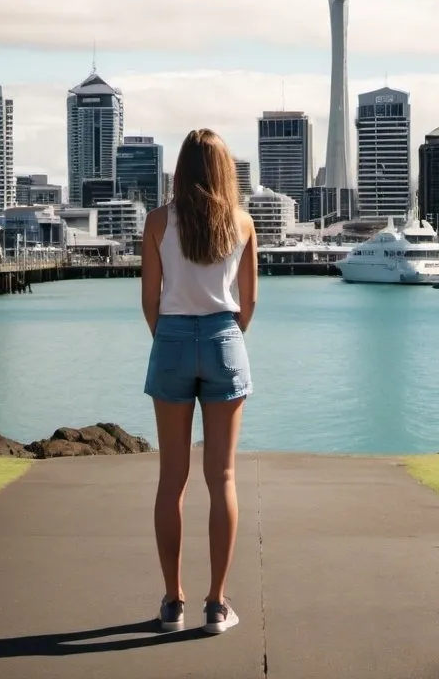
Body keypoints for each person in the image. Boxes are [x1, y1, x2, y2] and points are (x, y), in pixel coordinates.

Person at [141, 128, 258, 636]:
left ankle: (173, 602)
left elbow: (151, 298)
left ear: (181, 168)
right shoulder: (242, 221)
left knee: (172, 479)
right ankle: (216, 605)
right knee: (223, 479)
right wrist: (221, 340)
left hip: (170, 338)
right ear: (224, 169)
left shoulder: (158, 221)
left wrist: (170, 337)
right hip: (223, 339)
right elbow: (248, 303)